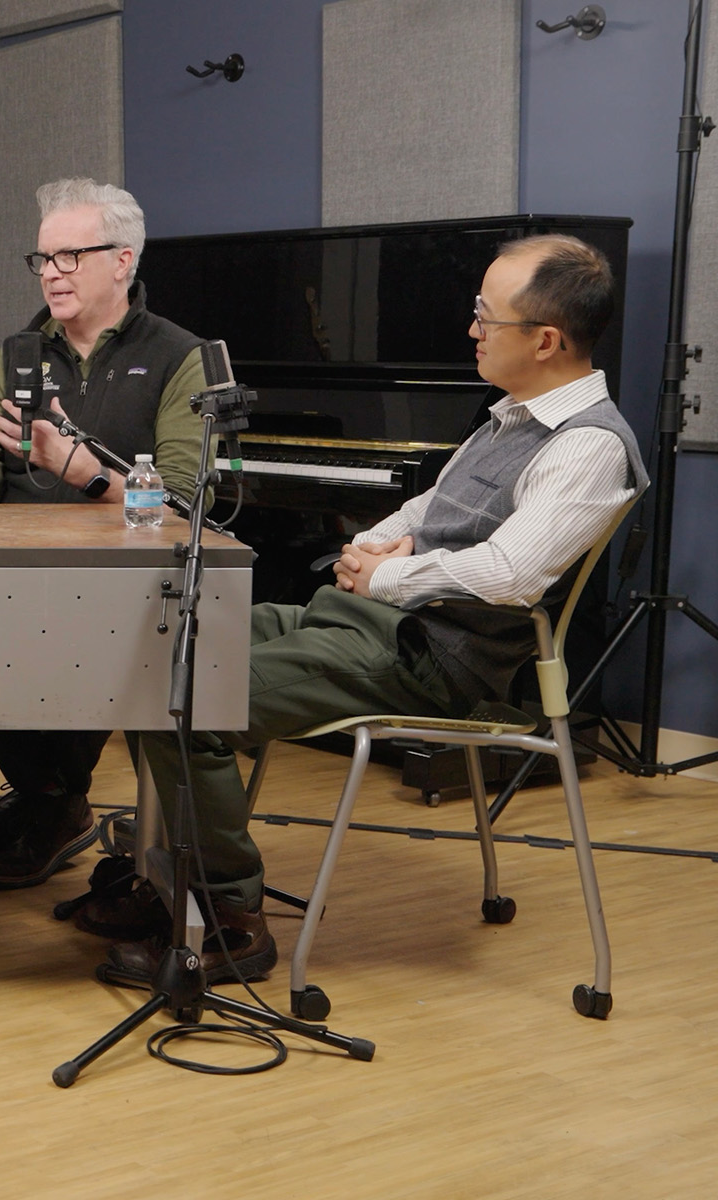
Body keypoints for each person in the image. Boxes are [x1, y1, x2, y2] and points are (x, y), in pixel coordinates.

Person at [112, 234, 647, 983]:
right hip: (369, 624)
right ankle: (168, 880)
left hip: (433, 661)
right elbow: (426, 509)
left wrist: (388, 577)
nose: (472, 329)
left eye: (486, 316)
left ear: (547, 340)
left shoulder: (586, 447)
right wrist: (367, 550)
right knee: (156, 647)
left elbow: (513, 573)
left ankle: (230, 920)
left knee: (189, 697)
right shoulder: (510, 417)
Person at [0, 179, 209, 893]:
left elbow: (186, 505)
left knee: (80, 649)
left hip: (126, 592)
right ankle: (53, 794)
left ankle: (50, 800)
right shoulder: (18, 355)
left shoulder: (178, 356)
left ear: (123, 261)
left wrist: (87, 473)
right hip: (14, 580)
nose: (52, 273)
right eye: (43, 259)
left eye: (71, 256)